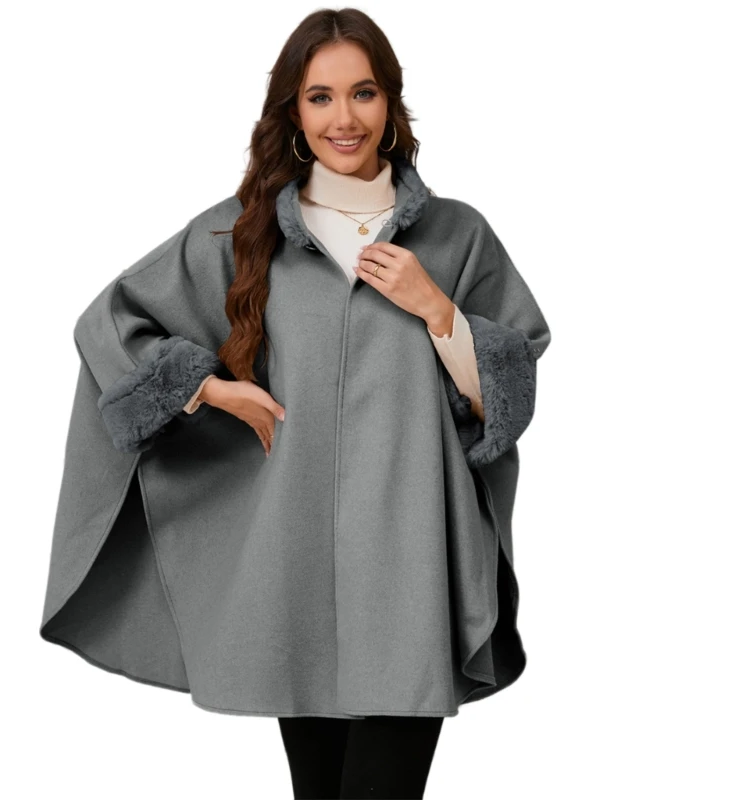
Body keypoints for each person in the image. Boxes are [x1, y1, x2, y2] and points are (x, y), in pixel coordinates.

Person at [39, 8, 552, 799]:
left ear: (391, 104)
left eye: (363, 93)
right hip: (294, 567)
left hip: (410, 562)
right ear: (293, 111)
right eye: (320, 97)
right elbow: (108, 325)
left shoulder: (457, 236)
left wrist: (438, 310)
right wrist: (207, 388)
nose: (344, 118)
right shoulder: (241, 234)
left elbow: (507, 397)